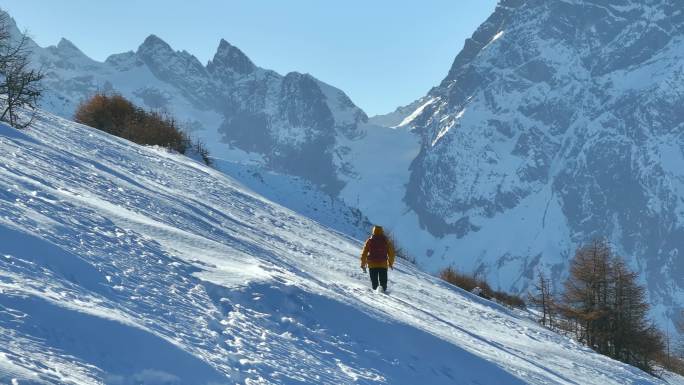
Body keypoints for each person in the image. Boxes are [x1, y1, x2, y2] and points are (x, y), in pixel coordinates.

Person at [360, 225, 395, 292]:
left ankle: (376, 297)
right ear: (382, 231)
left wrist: (363, 264)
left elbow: (364, 254)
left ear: (373, 231)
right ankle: (384, 295)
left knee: (374, 283)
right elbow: (391, 253)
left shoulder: (369, 240)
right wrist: (390, 263)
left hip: (372, 265)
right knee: (383, 283)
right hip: (383, 265)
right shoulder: (385, 240)